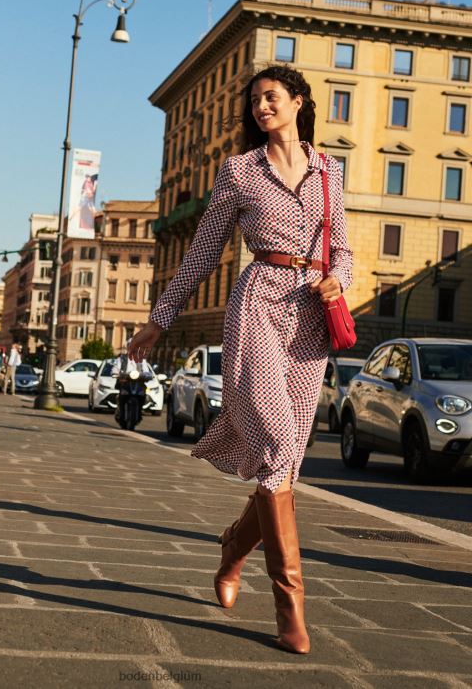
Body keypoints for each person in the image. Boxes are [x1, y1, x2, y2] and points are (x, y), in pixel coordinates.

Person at [128, 65, 353, 656]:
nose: (261, 108)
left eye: (271, 98)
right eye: (254, 101)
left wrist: (337, 281)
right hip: (256, 305)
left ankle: (233, 549)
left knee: (286, 464)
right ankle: (291, 607)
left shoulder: (330, 171)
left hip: (308, 322)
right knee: (278, 444)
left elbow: (345, 252)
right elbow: (203, 252)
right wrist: (160, 319)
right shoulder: (239, 171)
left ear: (299, 102)